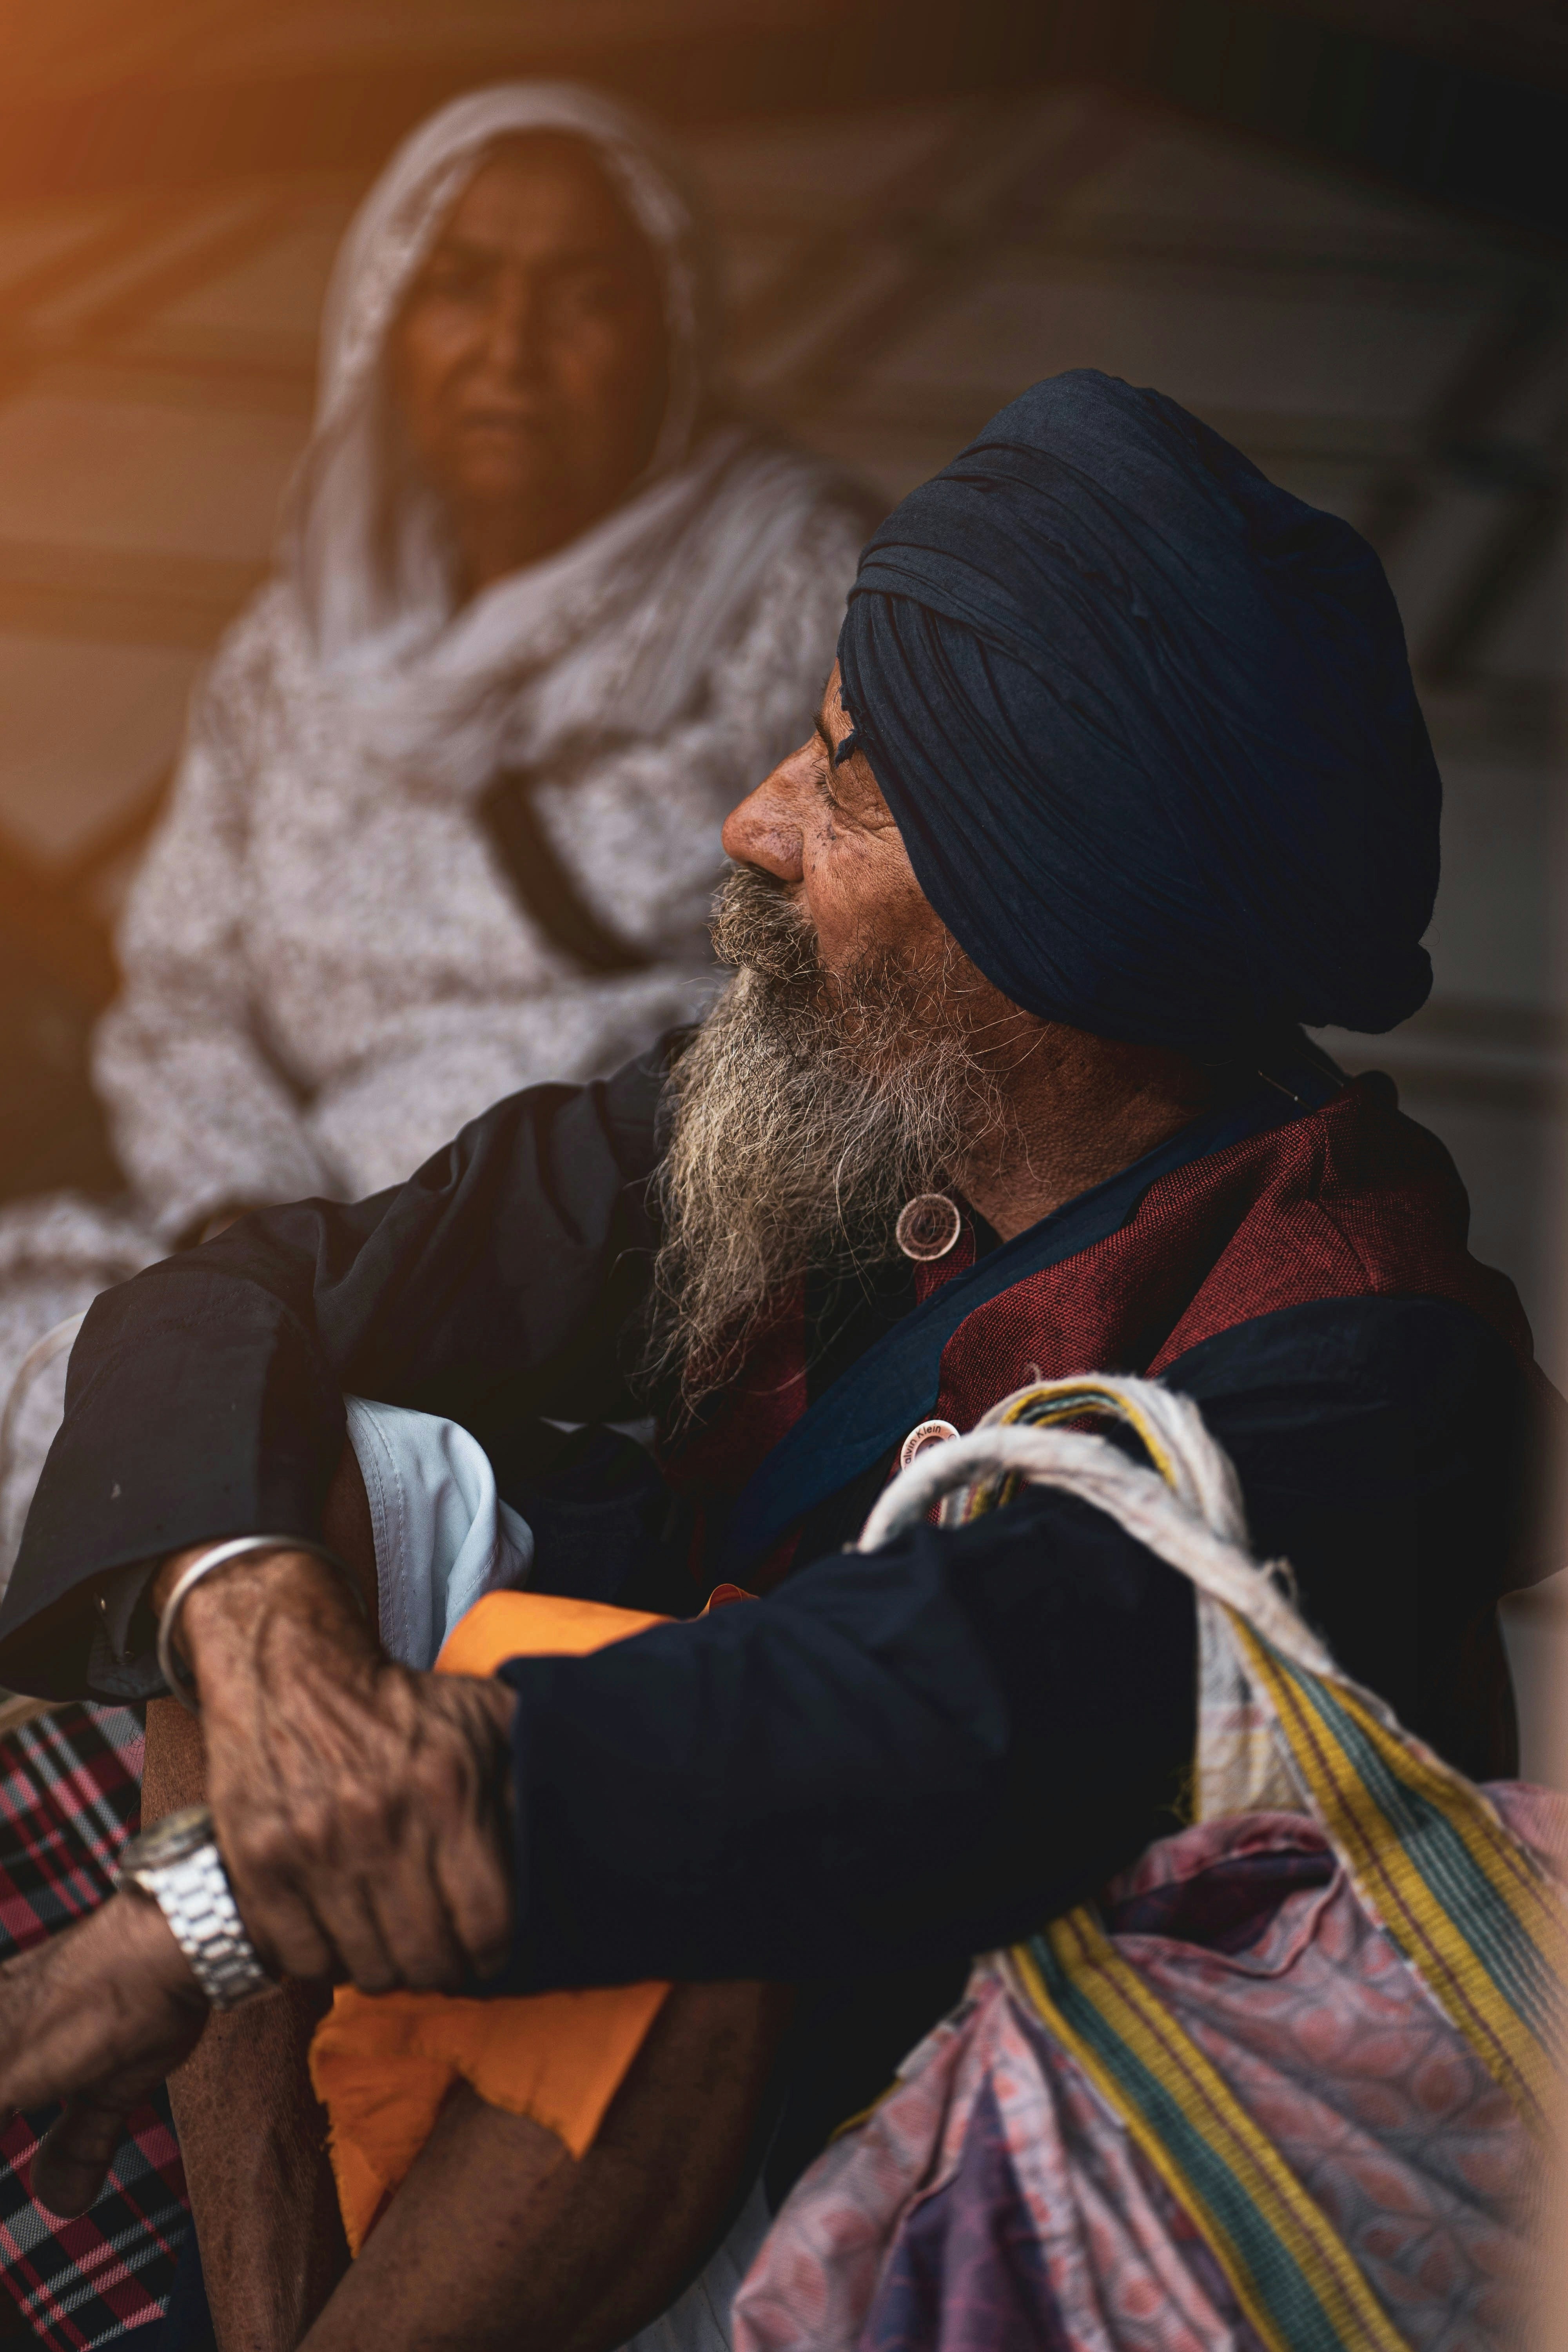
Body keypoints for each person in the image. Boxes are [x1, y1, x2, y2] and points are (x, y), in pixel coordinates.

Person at [0, 372, 1555, 2351]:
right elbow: (246, 1295)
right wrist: (271, 1650)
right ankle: (278, 2309)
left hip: (967, 2113)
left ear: (1049, 915)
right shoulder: (858, 1109)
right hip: (665, 1903)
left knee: (726, 1848)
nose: (756, 821)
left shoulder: (1355, 1365)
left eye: (849, 779)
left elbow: (887, 1713)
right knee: (301, 1489)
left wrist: (193, 1922)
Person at [0, 78, 871, 2349]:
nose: (512, 346)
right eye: (461, 291)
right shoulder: (312, 634)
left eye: (581, 296)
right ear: (383, 324)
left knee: (299, 1478)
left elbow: (778, 1016)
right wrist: (252, 1246)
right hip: (289, 1216)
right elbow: (186, 992)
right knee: (98, 1364)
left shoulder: (791, 587)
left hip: (578, 1225)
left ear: (669, 331)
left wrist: (339, 1293)